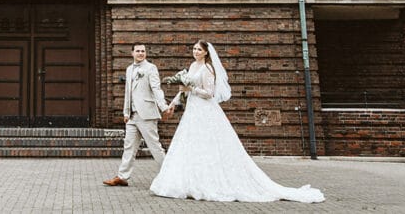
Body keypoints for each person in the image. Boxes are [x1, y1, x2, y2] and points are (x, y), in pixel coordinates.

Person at [149, 41, 324, 203]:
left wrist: (191, 88)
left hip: (205, 110)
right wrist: (173, 103)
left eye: (199, 50)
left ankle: (211, 182)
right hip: (192, 110)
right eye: (194, 49)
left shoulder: (208, 68)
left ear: (206, 53)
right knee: (191, 144)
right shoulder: (193, 66)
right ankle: (188, 181)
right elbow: (184, 90)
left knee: (210, 144)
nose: (196, 52)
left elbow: (209, 93)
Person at [103, 43, 170, 187]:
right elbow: (128, 93)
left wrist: (163, 106)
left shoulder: (150, 68)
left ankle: (170, 174)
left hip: (147, 114)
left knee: (155, 147)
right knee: (129, 146)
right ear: (132, 53)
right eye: (138, 51)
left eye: (143, 51)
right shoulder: (129, 69)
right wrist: (126, 112)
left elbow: (156, 89)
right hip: (132, 116)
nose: (141, 53)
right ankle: (122, 176)